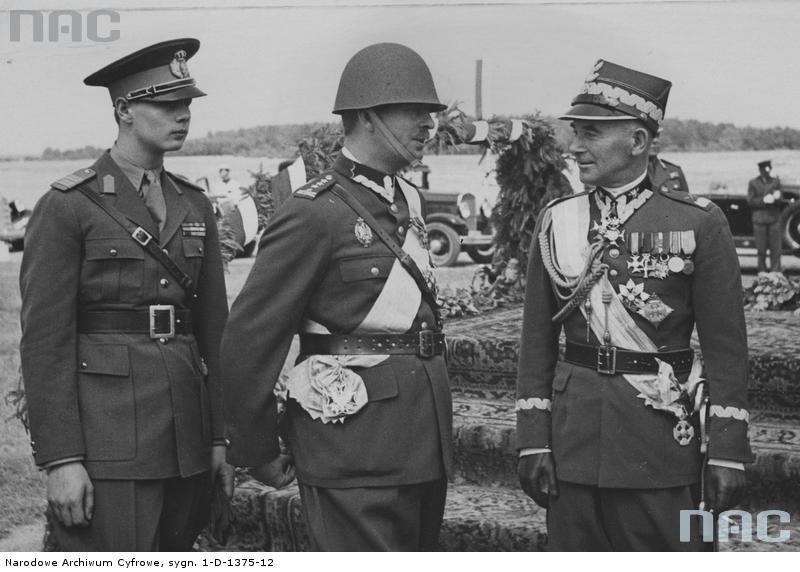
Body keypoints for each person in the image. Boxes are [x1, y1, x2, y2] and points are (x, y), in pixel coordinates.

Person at [221, 42, 452, 551]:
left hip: (422, 441)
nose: (428, 124)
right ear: (367, 116)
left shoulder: (408, 200)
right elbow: (250, 338)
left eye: (430, 112)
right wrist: (256, 446)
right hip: (351, 447)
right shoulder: (313, 211)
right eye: (414, 110)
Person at [516, 59, 753, 551]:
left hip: (659, 442)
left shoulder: (698, 223)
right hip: (574, 441)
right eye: (575, 131)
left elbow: (726, 349)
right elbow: (536, 341)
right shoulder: (557, 220)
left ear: (638, 141)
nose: (574, 146)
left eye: (592, 133)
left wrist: (727, 450)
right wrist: (533, 438)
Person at [19, 38, 232, 551]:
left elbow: (215, 331)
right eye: (167, 104)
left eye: (187, 103)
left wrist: (221, 438)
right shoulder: (70, 205)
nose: (183, 115)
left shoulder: (194, 204)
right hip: (108, 441)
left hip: (186, 438)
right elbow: (45, 343)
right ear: (124, 111)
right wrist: (62, 460)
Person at [747, 159, 784, 272]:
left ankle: (776, 272)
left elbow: (780, 201)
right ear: (760, 170)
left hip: (774, 219)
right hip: (759, 220)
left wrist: (777, 198)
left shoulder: (775, 182)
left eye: (768, 170)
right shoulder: (753, 183)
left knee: (776, 249)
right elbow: (750, 201)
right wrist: (763, 200)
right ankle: (762, 271)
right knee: (761, 249)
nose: (766, 172)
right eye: (764, 170)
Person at [647, 127, 690, 194]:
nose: (655, 140)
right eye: (650, 136)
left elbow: (685, 199)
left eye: (657, 136)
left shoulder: (674, 171)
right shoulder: (631, 173)